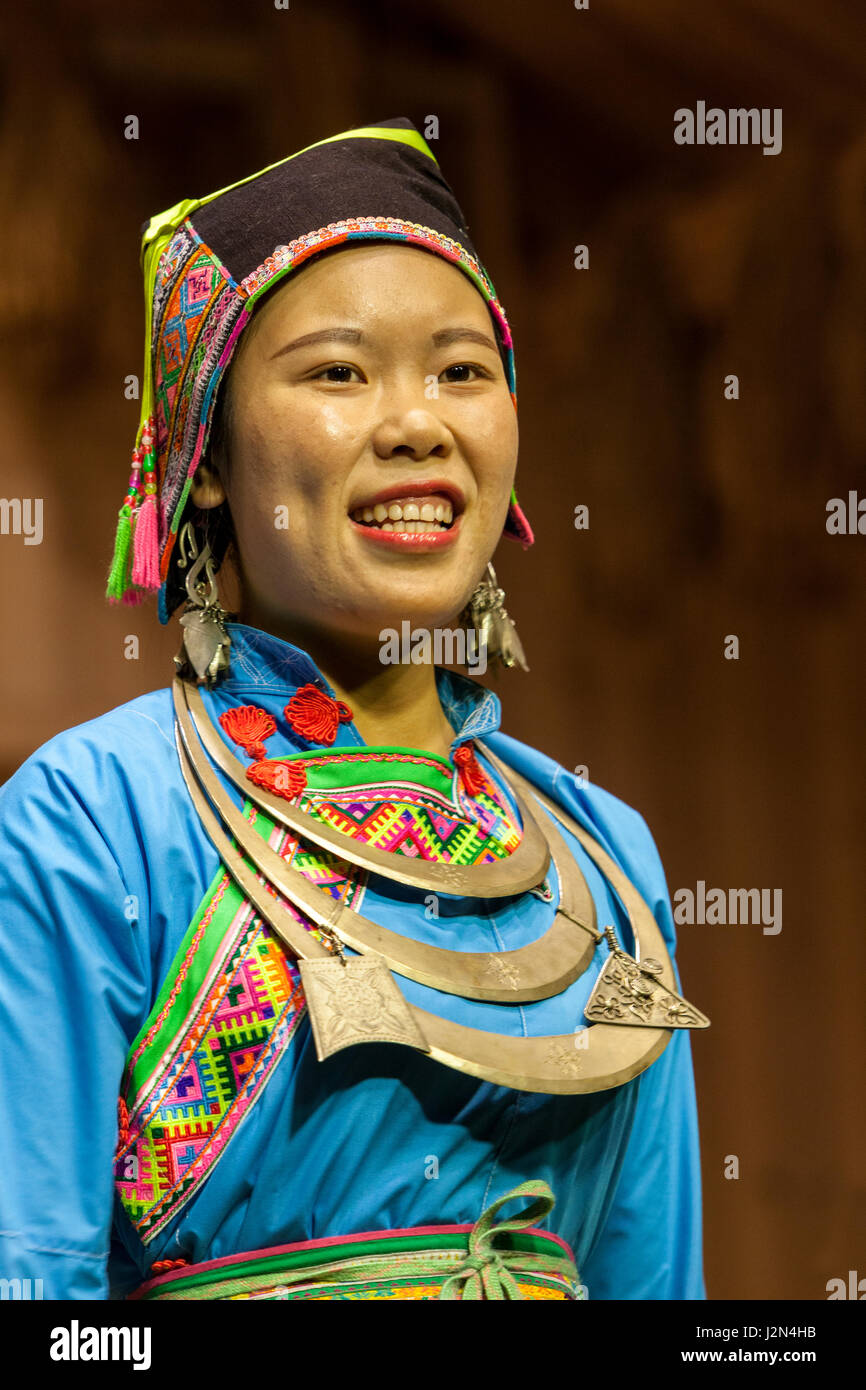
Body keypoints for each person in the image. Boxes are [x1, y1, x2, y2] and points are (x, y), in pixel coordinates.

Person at [0, 117, 708, 1301]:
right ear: (205, 453)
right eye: (338, 371)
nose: (416, 421)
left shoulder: (600, 860)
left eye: (461, 370)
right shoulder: (97, 822)